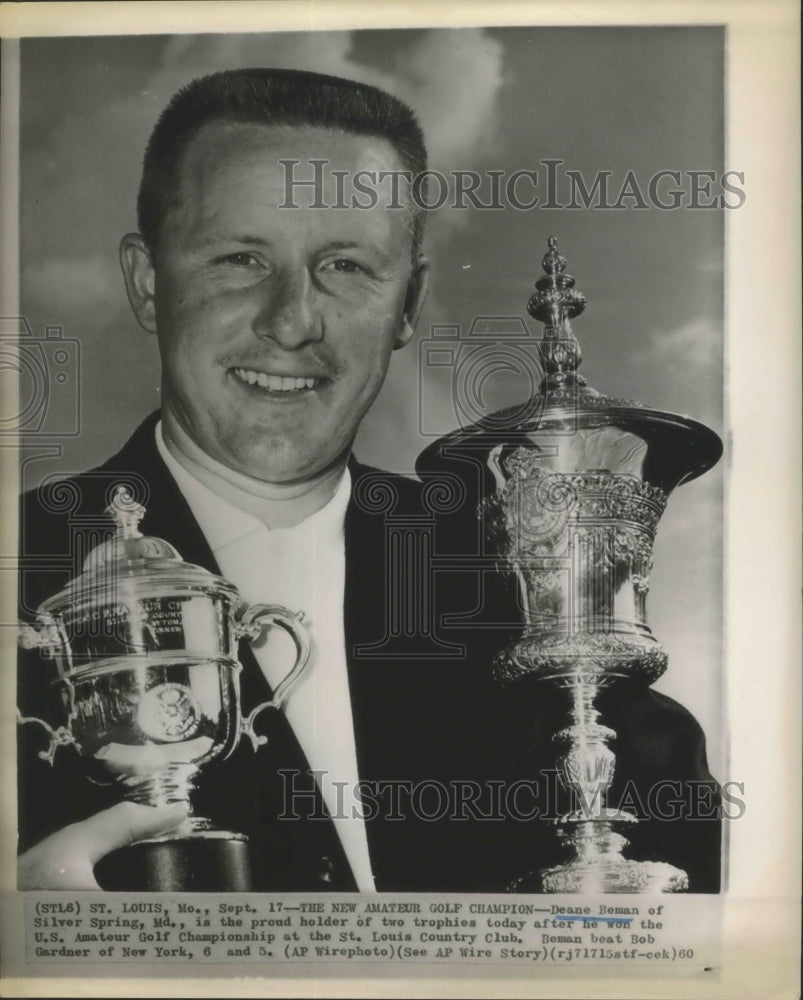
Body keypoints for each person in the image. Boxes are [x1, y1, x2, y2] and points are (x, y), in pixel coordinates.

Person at [17, 68, 721, 893]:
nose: (291, 322)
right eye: (239, 258)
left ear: (408, 303)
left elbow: (694, 861)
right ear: (148, 282)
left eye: (346, 267)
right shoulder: (21, 566)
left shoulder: (514, 568)